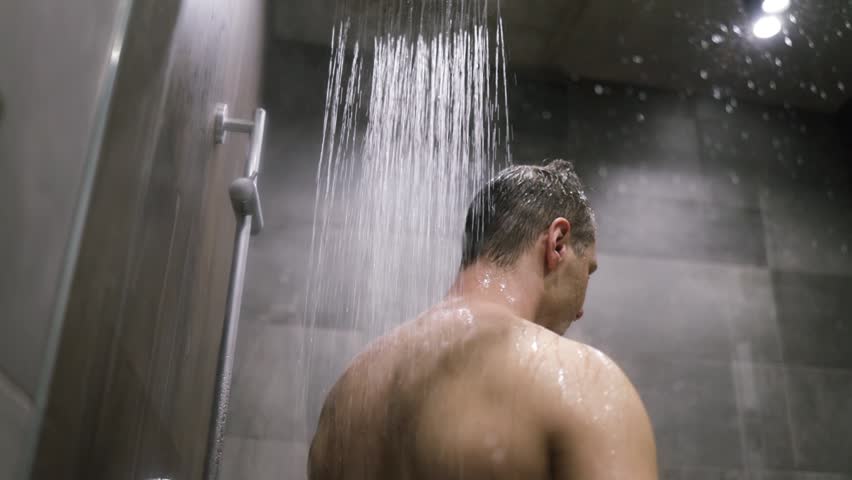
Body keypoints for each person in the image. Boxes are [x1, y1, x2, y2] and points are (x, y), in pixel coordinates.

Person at [308, 159, 658, 479]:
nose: (581, 310)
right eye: (588, 272)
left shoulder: (348, 395)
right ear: (558, 243)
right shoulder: (582, 383)